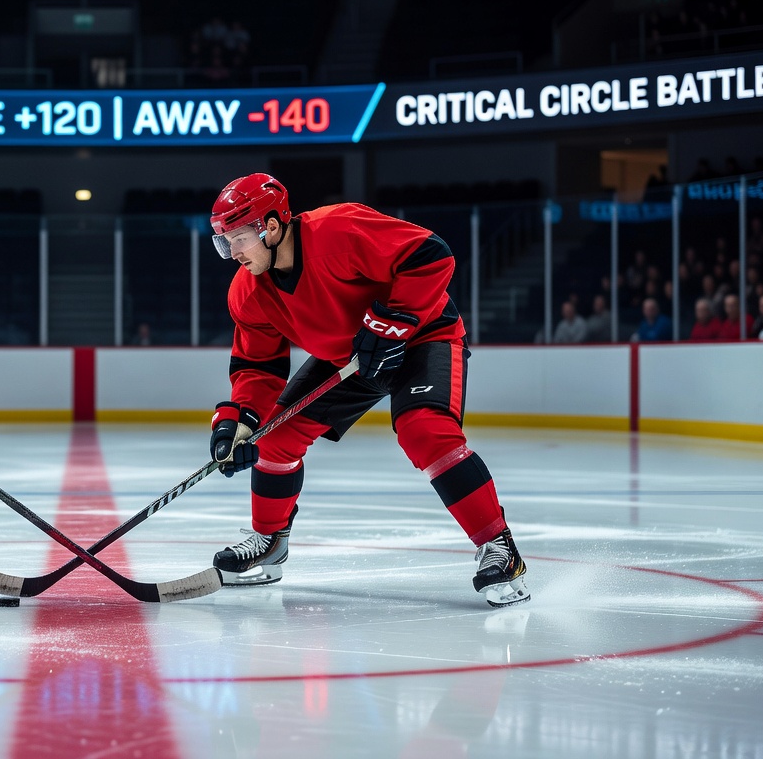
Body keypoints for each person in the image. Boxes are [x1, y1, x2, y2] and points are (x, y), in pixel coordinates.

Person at [202, 173, 529, 608]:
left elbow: (432, 255)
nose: (234, 253)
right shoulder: (248, 292)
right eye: (225, 242)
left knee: (424, 431)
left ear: (273, 226)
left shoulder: (339, 230)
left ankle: (500, 549)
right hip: (350, 358)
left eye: (239, 238)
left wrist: (393, 320)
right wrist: (239, 421)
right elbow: (257, 367)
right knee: (274, 438)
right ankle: (269, 542)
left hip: (423, 336)